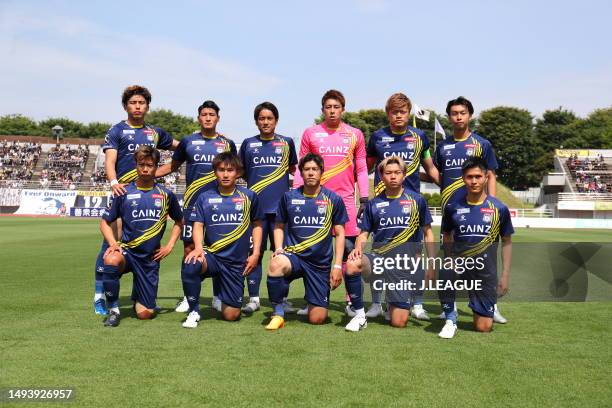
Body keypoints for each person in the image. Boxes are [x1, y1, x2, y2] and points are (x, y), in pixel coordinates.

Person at [93, 85, 178, 315]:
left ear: (147, 106)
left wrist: (162, 171)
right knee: (109, 248)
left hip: (148, 191)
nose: (137, 106)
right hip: (123, 193)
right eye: (133, 103)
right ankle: (99, 295)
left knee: (145, 244)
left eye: (141, 103)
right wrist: (113, 183)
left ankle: (141, 296)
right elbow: (111, 160)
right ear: (125, 106)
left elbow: (180, 148)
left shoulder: (154, 132)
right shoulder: (117, 130)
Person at [360, 92, 439, 320]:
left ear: (408, 113)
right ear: (388, 114)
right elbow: (365, 167)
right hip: (382, 205)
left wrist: (450, 185)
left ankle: (417, 304)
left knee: (414, 256)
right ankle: (376, 304)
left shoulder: (420, 137)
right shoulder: (377, 137)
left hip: (411, 206)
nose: (398, 116)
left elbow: (430, 168)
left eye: (402, 112)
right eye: (394, 112)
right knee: (378, 252)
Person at [156, 100, 237, 314]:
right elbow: (172, 166)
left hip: (221, 208)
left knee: (219, 250)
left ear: (218, 118)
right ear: (198, 118)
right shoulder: (188, 142)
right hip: (193, 206)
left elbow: (237, 171)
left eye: (212, 114)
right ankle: (188, 297)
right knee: (190, 250)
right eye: (204, 114)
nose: (208, 117)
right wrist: (145, 175)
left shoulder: (227, 143)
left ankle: (218, 297)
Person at [293, 89, 368, 315]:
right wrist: (297, 194)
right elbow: (301, 166)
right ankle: (315, 299)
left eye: (336, 107)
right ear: (323, 109)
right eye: (328, 107)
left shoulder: (355, 134)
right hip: (316, 202)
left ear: (343, 109)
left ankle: (351, 302)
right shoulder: (311, 133)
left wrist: (364, 197)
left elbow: (362, 167)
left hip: (345, 201)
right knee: (316, 252)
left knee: (349, 253)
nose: (332, 111)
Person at [433, 96, 507, 324]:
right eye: (454, 113)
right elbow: (438, 176)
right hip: (453, 214)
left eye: (462, 113)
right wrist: (411, 172)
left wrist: (491, 206)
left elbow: (491, 175)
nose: (458, 117)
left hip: (482, 213)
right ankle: (449, 308)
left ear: (469, 115)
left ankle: (490, 306)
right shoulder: (443, 146)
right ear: (448, 117)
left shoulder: (481, 144)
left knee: (487, 262)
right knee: (451, 261)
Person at [345, 156, 435, 331]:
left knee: (399, 322)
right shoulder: (373, 204)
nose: (393, 176)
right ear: (381, 175)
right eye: (388, 173)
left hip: (403, 266)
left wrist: (431, 264)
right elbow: (363, 234)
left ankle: (394, 301)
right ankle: (359, 315)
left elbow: (428, 234)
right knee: (352, 264)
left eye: (397, 172)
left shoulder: (417, 200)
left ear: (404, 174)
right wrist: (358, 248)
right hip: (379, 261)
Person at [100, 146, 183, 327]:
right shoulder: (124, 192)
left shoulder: (166, 195)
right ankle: (113, 310)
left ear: (156, 167)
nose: (145, 169)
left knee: (146, 314)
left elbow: (179, 221)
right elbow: (105, 222)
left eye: (150, 165)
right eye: (141, 165)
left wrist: (169, 246)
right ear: (136, 166)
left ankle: (140, 295)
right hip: (128, 252)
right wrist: (113, 243)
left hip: (149, 258)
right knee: (111, 259)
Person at [265, 153, 348, 330]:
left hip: (319, 263)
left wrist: (338, 266)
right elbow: (278, 225)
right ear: (301, 173)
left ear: (321, 172)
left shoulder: (333, 199)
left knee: (317, 318)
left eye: (314, 169)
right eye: (307, 169)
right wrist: (279, 248)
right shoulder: (288, 197)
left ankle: (311, 298)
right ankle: (278, 313)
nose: (311, 173)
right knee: (275, 264)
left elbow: (340, 233)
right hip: (294, 256)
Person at [181, 152, 263, 328]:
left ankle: (224, 295)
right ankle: (194, 311)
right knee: (191, 263)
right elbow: (198, 225)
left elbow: (257, 225)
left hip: (235, 263)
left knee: (231, 315)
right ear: (215, 172)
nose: (225, 174)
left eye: (230, 170)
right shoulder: (204, 197)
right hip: (212, 257)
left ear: (238, 172)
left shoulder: (249, 196)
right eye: (221, 170)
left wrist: (255, 253)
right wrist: (198, 248)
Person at [438, 157, 513, 338]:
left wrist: (504, 276)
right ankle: (450, 319)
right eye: (469, 177)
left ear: (486, 178)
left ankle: (479, 306)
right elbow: (447, 235)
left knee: (483, 327)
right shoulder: (452, 207)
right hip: (460, 266)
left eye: (478, 176)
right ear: (463, 179)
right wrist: (449, 258)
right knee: (445, 270)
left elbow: (507, 241)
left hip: (485, 272)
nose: (474, 181)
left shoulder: (499, 209)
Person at [238, 102, 298, 313]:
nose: (265, 122)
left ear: (276, 120)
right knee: (254, 252)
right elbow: (242, 171)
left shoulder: (287, 143)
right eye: (261, 118)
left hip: (281, 212)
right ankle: (253, 298)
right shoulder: (247, 144)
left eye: (269, 118)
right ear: (256, 121)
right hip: (255, 212)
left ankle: (281, 299)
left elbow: (292, 169)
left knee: (282, 254)